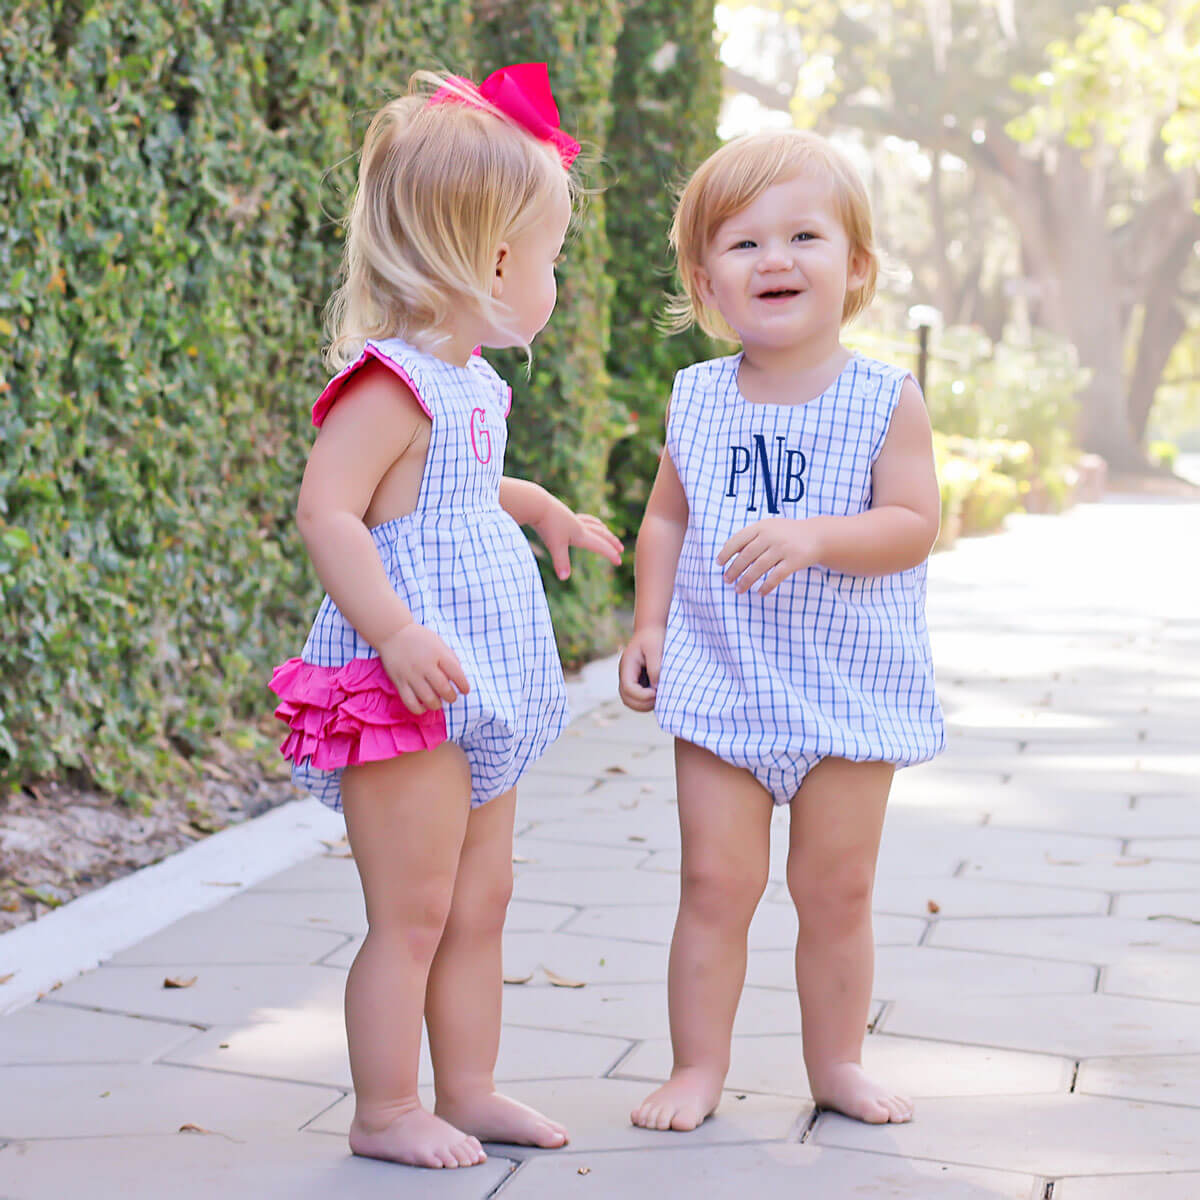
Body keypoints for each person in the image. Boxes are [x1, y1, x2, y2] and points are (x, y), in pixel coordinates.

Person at [269, 63, 622, 1170]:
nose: (556, 277)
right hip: (405, 684)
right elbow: (330, 512)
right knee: (414, 911)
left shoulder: (471, 384)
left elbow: (459, 493)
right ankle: (384, 1111)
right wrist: (393, 632)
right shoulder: (387, 385)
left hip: (487, 678)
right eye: (552, 257)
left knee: (483, 900)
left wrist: (543, 507)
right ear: (493, 260)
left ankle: (467, 1088)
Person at [618, 129, 945, 1132]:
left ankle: (837, 1062)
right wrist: (649, 623)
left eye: (803, 235)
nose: (774, 259)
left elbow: (913, 526)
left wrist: (817, 534)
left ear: (855, 268)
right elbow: (666, 517)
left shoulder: (885, 398)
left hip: (848, 687)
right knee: (715, 884)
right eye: (742, 242)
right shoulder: (699, 398)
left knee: (834, 890)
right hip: (722, 679)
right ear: (706, 280)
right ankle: (696, 1069)